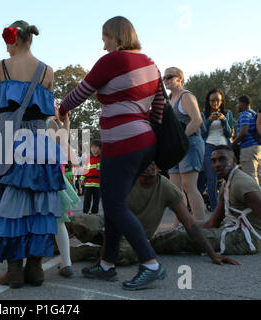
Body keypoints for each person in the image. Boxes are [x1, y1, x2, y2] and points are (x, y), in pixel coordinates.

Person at [59, 16, 167, 290]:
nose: (103, 43)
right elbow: (159, 110)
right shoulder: (152, 65)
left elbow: (80, 93)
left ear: (117, 37)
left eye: (105, 37)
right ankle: (107, 264)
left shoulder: (112, 61)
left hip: (122, 142)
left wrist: (60, 109)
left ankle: (151, 263)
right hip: (145, 142)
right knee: (114, 204)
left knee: (116, 206)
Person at [0, 20, 64, 289]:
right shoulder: (47, 70)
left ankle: (14, 270)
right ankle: (36, 268)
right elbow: (48, 111)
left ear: (12, 40)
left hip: (8, 139)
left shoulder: (1, 67)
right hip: (39, 140)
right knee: (40, 201)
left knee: (9, 203)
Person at [68, 162, 240, 266]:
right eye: (145, 161)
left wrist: (213, 255)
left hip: (135, 238)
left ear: (158, 165)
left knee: (127, 255)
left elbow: (189, 224)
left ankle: (84, 252)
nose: (149, 166)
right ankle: (50, 244)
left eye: (153, 162)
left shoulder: (167, 188)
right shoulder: (126, 180)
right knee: (75, 221)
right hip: (110, 225)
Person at [152, 145, 261, 256]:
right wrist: (189, 228)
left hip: (248, 239)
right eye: (213, 161)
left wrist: (192, 234)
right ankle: (149, 241)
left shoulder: (241, 184)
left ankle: (146, 246)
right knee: (184, 227)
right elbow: (213, 222)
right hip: (233, 228)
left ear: (233, 161)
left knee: (182, 237)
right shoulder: (227, 183)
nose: (217, 164)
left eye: (222, 159)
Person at [164, 67, 206, 226]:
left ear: (180, 78)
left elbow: (197, 121)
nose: (165, 80)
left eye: (169, 76)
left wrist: (180, 140)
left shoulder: (186, 96)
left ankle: (201, 227)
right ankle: (177, 227)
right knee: (175, 191)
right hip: (177, 148)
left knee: (189, 186)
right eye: (164, 78)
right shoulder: (169, 100)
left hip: (191, 144)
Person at [47, 107, 80, 278]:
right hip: (52, 174)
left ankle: (30, 263)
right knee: (59, 221)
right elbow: (63, 143)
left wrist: (64, 121)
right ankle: (66, 262)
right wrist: (64, 121)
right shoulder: (49, 123)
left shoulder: (36, 123)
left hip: (41, 175)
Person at [200, 89, 234, 212]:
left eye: (217, 100)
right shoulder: (204, 114)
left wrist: (224, 120)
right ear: (208, 101)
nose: (215, 103)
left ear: (221, 101)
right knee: (211, 181)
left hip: (224, 148)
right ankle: (215, 210)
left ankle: (230, 208)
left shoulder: (228, 113)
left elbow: (229, 132)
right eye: (212, 101)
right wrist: (209, 121)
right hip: (209, 147)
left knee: (229, 179)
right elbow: (202, 132)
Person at [232, 96, 261, 185]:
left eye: (238, 103)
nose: (237, 106)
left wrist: (233, 144)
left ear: (243, 104)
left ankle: (256, 198)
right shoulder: (254, 114)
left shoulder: (244, 114)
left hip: (248, 148)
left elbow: (243, 133)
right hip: (257, 148)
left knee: (250, 176)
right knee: (259, 176)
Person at [81, 140, 101, 214]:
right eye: (92, 147)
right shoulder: (88, 159)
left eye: (95, 147)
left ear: (99, 148)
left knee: (96, 199)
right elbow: (85, 170)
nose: (93, 149)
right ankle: (85, 212)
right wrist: (82, 179)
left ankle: (94, 213)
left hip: (98, 184)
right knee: (87, 199)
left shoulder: (101, 159)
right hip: (88, 183)